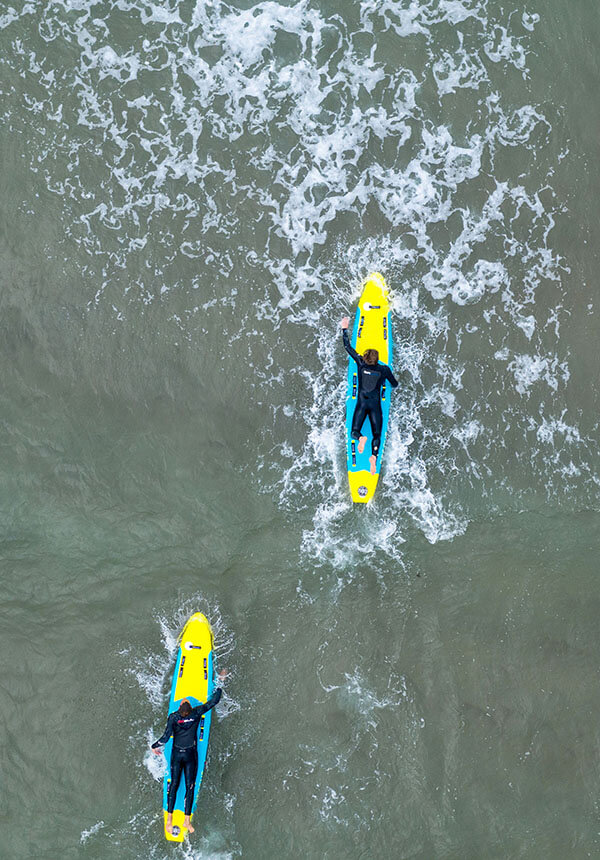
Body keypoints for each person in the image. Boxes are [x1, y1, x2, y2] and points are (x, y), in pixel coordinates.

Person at [151, 673, 227, 835]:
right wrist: (220, 683)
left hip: (177, 755)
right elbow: (214, 701)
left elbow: (165, 737)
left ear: (179, 709)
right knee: (189, 786)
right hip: (191, 755)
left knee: (175, 785)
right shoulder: (196, 713)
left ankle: (169, 821)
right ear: (190, 708)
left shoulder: (173, 717)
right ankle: (187, 821)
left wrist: (154, 746)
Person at [341, 316, 399, 474]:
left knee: (354, 431)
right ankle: (373, 456)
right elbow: (394, 384)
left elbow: (347, 347)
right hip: (375, 405)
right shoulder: (384, 370)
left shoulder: (360, 364)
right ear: (378, 360)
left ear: (365, 358)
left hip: (361, 403)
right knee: (377, 434)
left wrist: (344, 328)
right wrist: (387, 381)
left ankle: (360, 438)